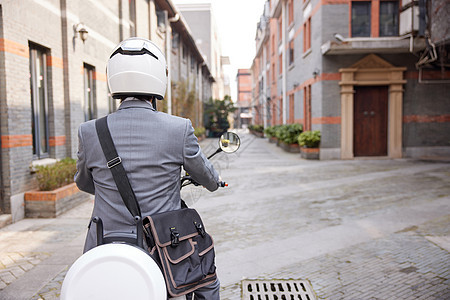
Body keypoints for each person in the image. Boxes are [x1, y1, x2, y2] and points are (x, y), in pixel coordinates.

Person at [75, 37, 221, 299]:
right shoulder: (179, 128)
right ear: (158, 78)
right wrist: (214, 181)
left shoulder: (89, 131)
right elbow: (206, 176)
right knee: (209, 282)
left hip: (104, 244)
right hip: (164, 249)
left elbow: (84, 183)